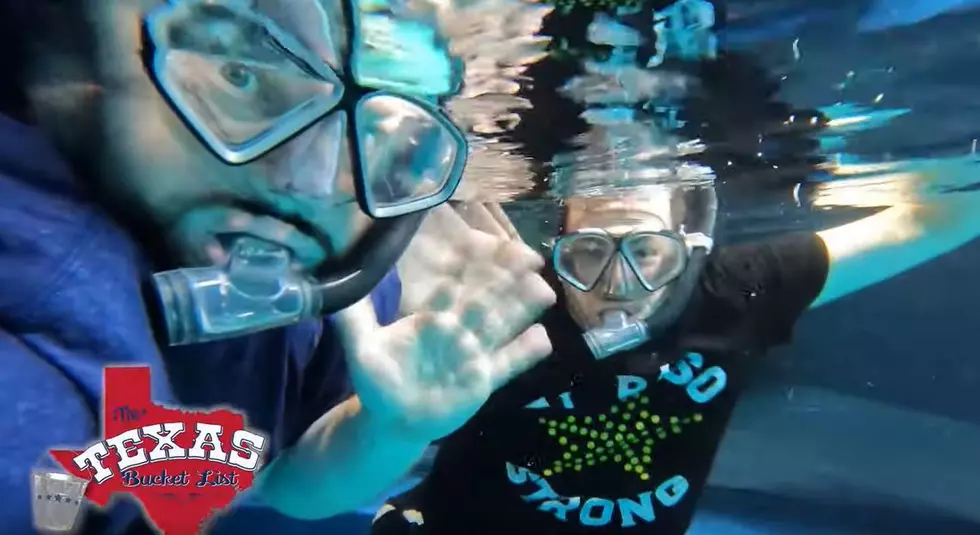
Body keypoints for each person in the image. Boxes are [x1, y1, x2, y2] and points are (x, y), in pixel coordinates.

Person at [368, 0, 980, 534]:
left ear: (689, 245)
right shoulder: (501, 303)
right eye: (587, 254)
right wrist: (388, 434)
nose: (618, 288)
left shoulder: (737, 289)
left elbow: (925, 220)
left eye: (648, 253)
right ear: (559, 243)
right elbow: (309, 468)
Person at [0, 0, 556, 533]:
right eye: (242, 76)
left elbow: (287, 483)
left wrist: (390, 430)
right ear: (98, 35)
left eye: (374, 136)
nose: (306, 180)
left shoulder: (343, 296)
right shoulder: (35, 279)